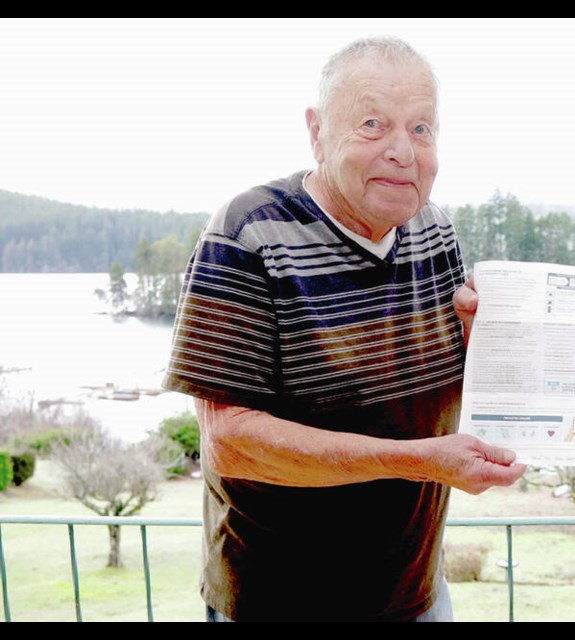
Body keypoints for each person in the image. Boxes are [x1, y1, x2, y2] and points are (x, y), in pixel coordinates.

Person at [162, 36, 526, 622]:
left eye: (422, 129)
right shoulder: (249, 232)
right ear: (317, 131)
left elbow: (437, 393)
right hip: (277, 603)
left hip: (416, 596)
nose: (402, 152)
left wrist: (478, 341)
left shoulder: (435, 230)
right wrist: (421, 460)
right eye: (373, 124)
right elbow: (231, 444)